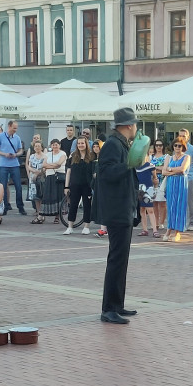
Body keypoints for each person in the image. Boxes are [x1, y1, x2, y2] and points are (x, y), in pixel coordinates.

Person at [95, 107, 142, 325]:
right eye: (134, 125)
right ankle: (109, 309)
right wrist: (128, 165)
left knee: (121, 259)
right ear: (128, 126)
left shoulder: (121, 143)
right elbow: (105, 173)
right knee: (116, 258)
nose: (136, 128)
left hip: (123, 207)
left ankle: (117, 304)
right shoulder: (113, 144)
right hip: (116, 209)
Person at [62, 135, 95, 236]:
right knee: (73, 205)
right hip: (74, 185)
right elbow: (68, 172)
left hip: (87, 185)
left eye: (82, 143)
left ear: (86, 144)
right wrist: (66, 186)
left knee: (87, 205)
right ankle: (70, 226)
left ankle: (86, 226)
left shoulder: (91, 156)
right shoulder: (73, 156)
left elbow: (94, 172)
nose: (80, 145)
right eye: (79, 143)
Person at [0, 119, 26, 215]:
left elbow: (21, 150)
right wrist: (4, 154)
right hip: (3, 164)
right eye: (14, 128)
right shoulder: (0, 136)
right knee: (2, 186)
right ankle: (5, 206)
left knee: (18, 186)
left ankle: (20, 207)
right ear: (9, 126)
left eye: (16, 128)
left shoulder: (17, 138)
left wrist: (16, 154)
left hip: (15, 164)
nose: (15, 130)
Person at [162, 137, 191, 242]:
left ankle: (177, 232)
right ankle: (168, 230)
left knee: (179, 205)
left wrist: (170, 170)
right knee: (170, 206)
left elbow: (183, 169)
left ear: (183, 147)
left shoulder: (187, 157)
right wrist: (175, 171)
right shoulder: (168, 158)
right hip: (171, 183)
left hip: (181, 183)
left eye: (180, 145)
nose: (177, 147)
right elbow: (164, 172)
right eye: (176, 145)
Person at [177, 127, 193, 231]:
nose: (181, 137)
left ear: (188, 137)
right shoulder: (177, 147)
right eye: (180, 135)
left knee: (190, 202)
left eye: (184, 136)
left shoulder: (192, 149)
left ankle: (192, 223)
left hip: (189, 178)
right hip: (178, 177)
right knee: (179, 200)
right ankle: (180, 223)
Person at [137, 145, 159, 237]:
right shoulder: (135, 167)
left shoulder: (150, 166)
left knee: (150, 209)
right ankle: (144, 229)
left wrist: (155, 187)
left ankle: (154, 229)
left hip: (148, 189)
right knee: (142, 209)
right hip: (139, 189)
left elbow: (155, 178)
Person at [150, 139, 168, 231]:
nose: (158, 147)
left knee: (162, 202)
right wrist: (158, 169)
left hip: (163, 180)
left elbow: (165, 169)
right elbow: (148, 168)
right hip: (152, 181)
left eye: (160, 145)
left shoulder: (166, 157)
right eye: (157, 145)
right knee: (154, 202)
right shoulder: (151, 156)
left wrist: (155, 168)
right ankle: (156, 222)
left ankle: (161, 222)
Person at [26, 140, 45, 219]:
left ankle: (43, 212)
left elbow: (44, 167)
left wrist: (38, 173)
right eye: (36, 146)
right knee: (35, 196)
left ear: (42, 147)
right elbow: (29, 166)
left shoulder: (45, 156)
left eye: (38, 146)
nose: (37, 147)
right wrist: (34, 172)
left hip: (41, 177)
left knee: (41, 195)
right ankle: (38, 211)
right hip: (33, 177)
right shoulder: (32, 156)